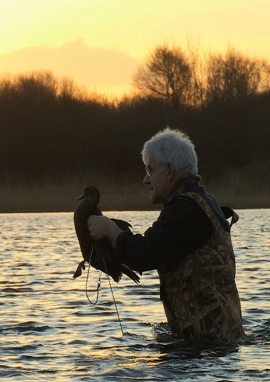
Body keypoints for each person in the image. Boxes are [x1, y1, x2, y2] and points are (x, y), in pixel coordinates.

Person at [88, 127, 245, 341]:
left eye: (150, 170)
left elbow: (142, 255)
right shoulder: (201, 201)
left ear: (169, 171)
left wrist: (108, 228)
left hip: (205, 352)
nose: (145, 180)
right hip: (215, 348)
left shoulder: (186, 211)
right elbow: (156, 245)